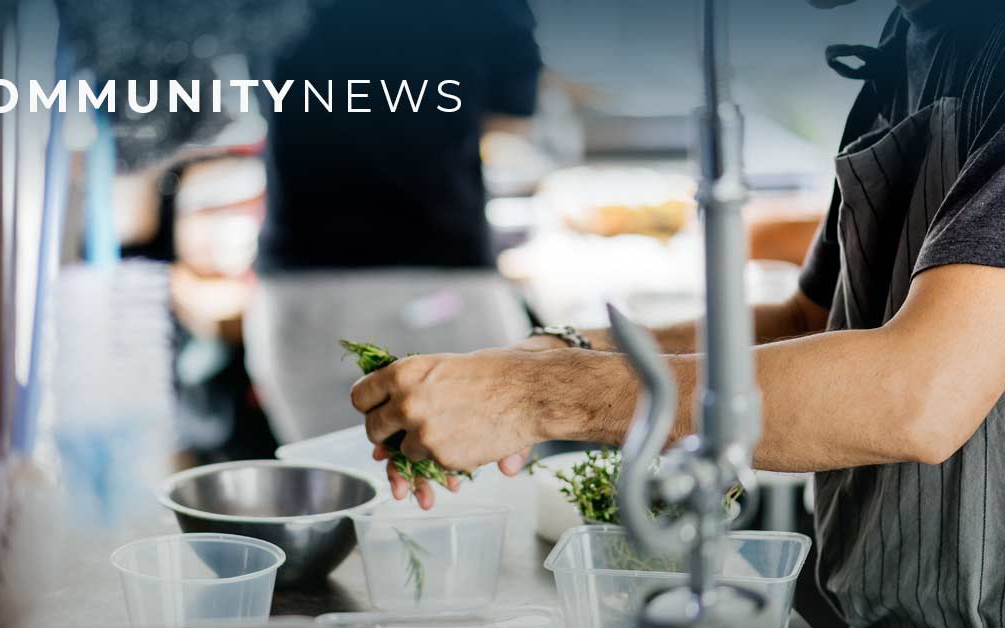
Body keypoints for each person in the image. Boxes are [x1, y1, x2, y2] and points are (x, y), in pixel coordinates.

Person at [351, 1, 1005, 625]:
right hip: (880, 600)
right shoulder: (907, 47)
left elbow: (921, 393)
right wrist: (564, 350)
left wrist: (532, 396)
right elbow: (811, 321)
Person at [246, 0, 542, 443]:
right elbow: (510, 118)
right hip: (440, 278)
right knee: (481, 493)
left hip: (301, 288)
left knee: (331, 490)